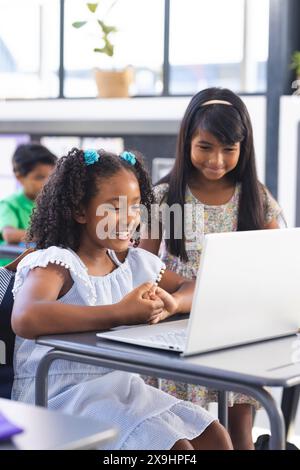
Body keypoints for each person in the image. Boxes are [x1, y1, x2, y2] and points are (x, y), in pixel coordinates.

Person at [11, 148, 232, 450]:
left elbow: (193, 287)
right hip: (58, 395)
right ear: (79, 211)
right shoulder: (57, 263)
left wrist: (173, 303)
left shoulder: (131, 262)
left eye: (136, 206)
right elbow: (25, 318)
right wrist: (119, 312)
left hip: (121, 388)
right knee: (177, 449)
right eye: (114, 207)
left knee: (215, 437)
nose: (129, 218)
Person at [139, 87, 286, 450]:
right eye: (205, 147)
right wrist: (189, 288)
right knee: (185, 425)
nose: (216, 160)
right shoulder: (162, 197)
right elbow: (142, 263)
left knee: (240, 425)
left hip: (235, 325)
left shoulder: (257, 198)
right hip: (175, 326)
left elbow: (275, 262)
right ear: (187, 141)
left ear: (243, 148)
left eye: (228, 149)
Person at [0, 143, 57, 266]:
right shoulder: (10, 204)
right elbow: (9, 235)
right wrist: (52, 234)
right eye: (39, 177)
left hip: (38, 265)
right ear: (19, 177)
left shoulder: (52, 204)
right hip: (12, 270)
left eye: (51, 177)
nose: (47, 182)